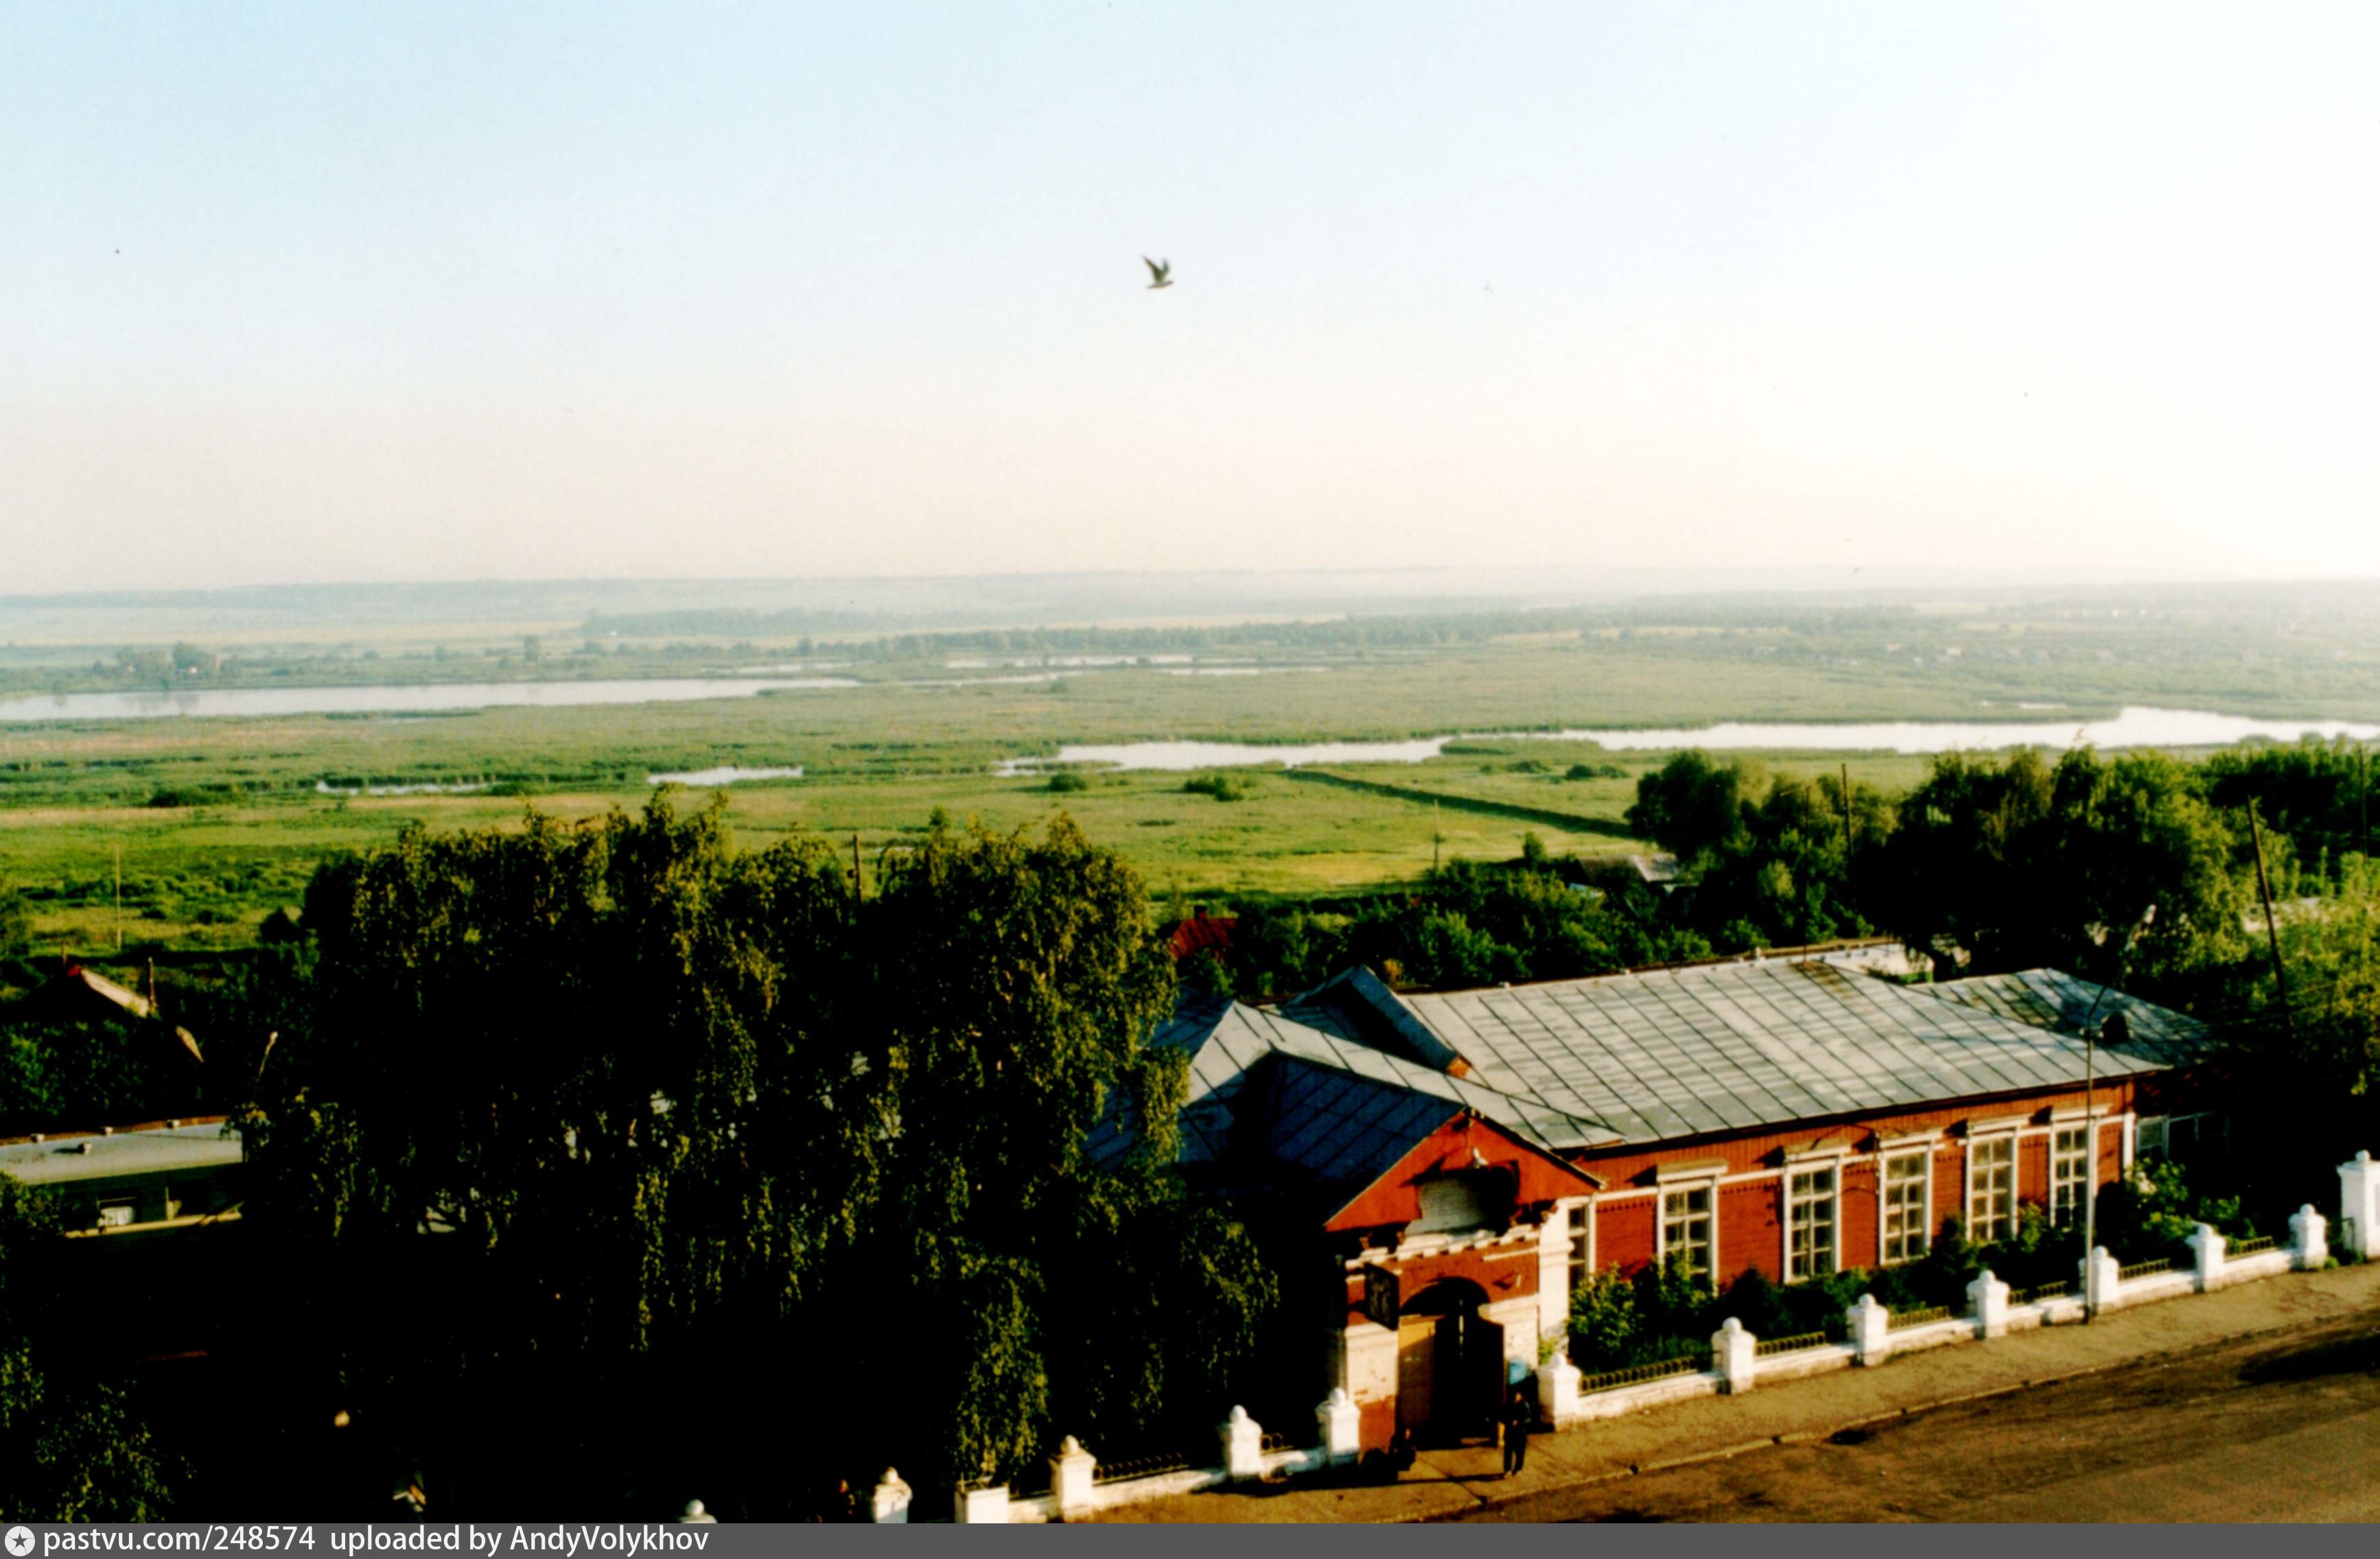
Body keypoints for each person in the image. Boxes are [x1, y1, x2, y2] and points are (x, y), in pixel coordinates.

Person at [1500, 1383, 1535, 1479]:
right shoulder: (1508, 1405)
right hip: (1510, 1433)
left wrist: (1519, 1422)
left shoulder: (1524, 1405)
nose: (1515, 1397)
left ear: (1521, 1396)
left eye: (1517, 1395)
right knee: (1508, 1453)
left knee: (1520, 1453)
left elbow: (1529, 1419)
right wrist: (1508, 1421)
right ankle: (1507, 1470)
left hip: (1520, 1433)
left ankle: (1518, 1468)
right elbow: (1502, 1416)